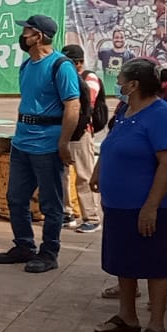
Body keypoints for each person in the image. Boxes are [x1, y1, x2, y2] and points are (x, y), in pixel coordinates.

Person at [90, 59, 167, 332]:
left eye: (121, 79)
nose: (118, 83)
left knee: (155, 264)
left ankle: (156, 325)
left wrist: (151, 206)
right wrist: (98, 170)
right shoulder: (125, 110)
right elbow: (112, 144)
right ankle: (126, 315)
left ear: (134, 84)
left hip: (145, 204)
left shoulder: (161, 114)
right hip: (117, 205)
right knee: (123, 261)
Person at [0, 15, 81, 274]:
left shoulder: (60, 66)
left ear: (39, 36)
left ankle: (49, 252)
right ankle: (24, 246)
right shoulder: (27, 65)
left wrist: (63, 142)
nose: (23, 36)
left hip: (47, 144)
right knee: (16, 198)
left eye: (27, 32)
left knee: (50, 203)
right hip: (22, 142)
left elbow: (72, 106)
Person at [59, 45, 102, 233]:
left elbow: (82, 103)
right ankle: (66, 213)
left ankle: (91, 217)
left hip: (81, 133)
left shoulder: (90, 78)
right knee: (62, 174)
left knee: (84, 175)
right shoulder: (63, 77)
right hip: (63, 132)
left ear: (79, 63)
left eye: (70, 63)